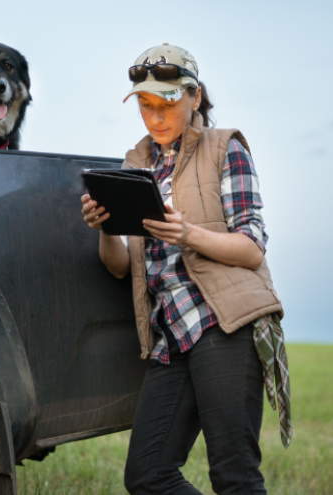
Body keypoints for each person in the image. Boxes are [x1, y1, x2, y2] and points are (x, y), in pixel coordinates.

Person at [80, 44, 291, 495]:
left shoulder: (225, 147)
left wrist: (187, 233)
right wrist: (104, 229)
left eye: (168, 104)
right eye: (145, 105)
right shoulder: (134, 164)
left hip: (225, 324)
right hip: (169, 336)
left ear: (195, 97)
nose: (156, 117)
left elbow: (252, 247)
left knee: (234, 475)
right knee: (147, 475)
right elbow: (120, 268)